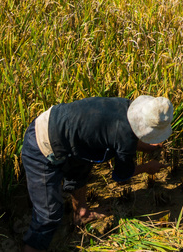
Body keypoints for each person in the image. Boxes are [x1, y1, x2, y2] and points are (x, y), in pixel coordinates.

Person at [20, 95, 173, 252]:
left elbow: (121, 135)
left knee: (83, 165)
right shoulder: (125, 139)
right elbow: (121, 175)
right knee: (49, 215)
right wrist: (147, 167)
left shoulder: (124, 105)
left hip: (63, 129)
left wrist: (146, 147)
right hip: (41, 146)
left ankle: (81, 213)